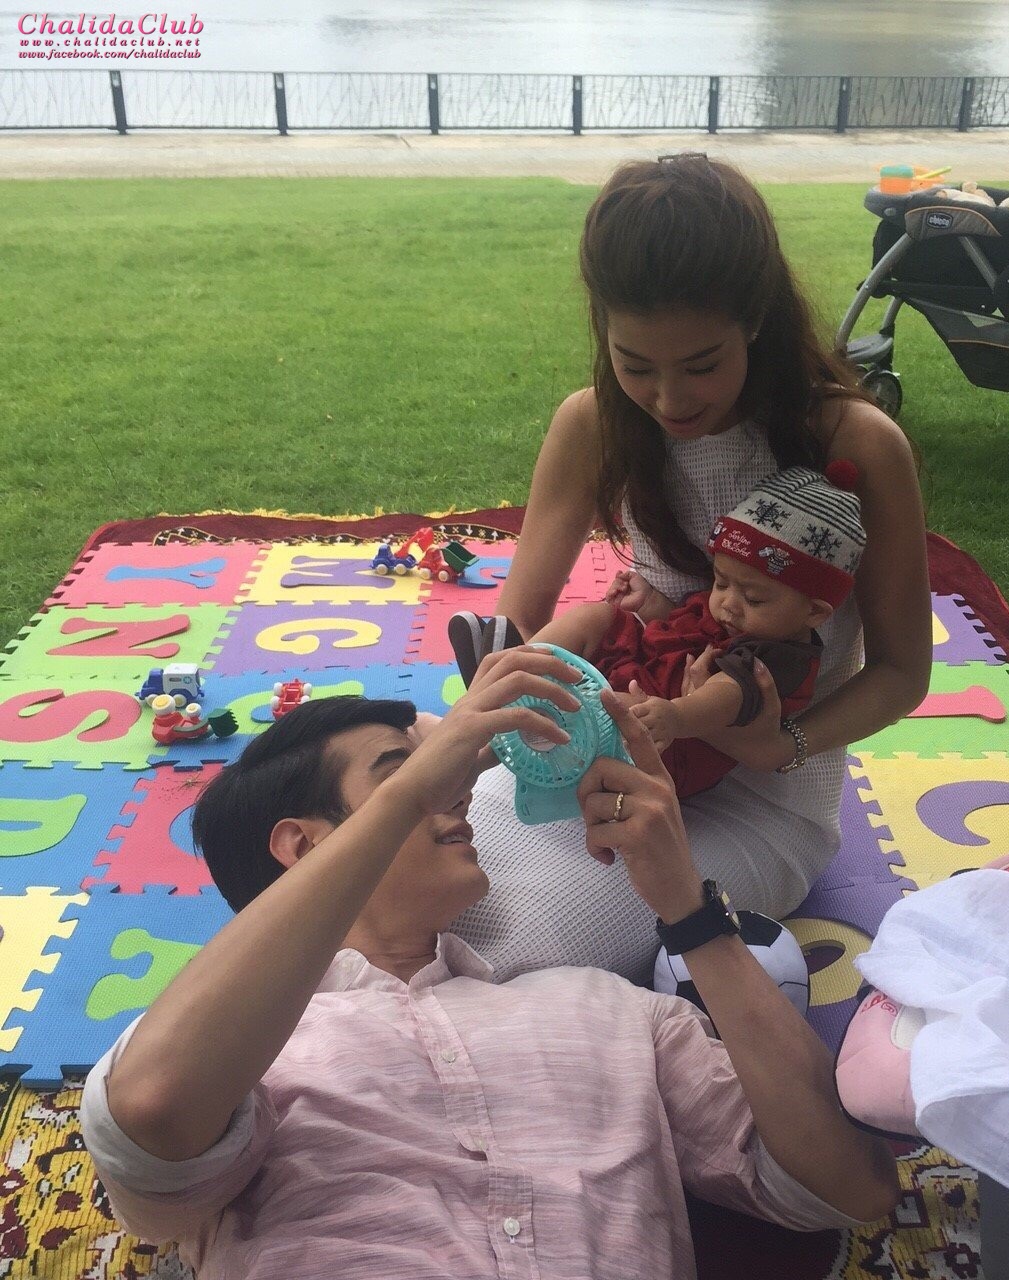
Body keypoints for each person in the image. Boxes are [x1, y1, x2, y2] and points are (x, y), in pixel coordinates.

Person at [77, 654, 901, 1278]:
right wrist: (412, 794)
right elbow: (152, 1114)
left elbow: (845, 1187)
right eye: (407, 772)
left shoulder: (611, 1009)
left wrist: (689, 910)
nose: (461, 793)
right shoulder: (244, 1054)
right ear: (302, 844)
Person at [450, 153, 930, 981]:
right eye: (636, 365)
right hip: (592, 756)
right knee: (409, 884)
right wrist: (505, 719)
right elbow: (518, 624)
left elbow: (901, 672)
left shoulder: (853, 442)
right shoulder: (592, 424)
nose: (669, 400)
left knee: (526, 948)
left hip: (759, 801)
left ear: (756, 319)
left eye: (702, 365)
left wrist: (777, 744)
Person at [453, 462, 865, 799]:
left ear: (814, 612)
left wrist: (676, 716)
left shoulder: (780, 655)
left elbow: (729, 695)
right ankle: (517, 666)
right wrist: (649, 601)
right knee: (597, 617)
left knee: (605, 715)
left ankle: (523, 711)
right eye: (721, 582)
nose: (727, 603)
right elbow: (683, 623)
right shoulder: (734, 609)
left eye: (754, 598)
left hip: (667, 743)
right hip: (640, 675)